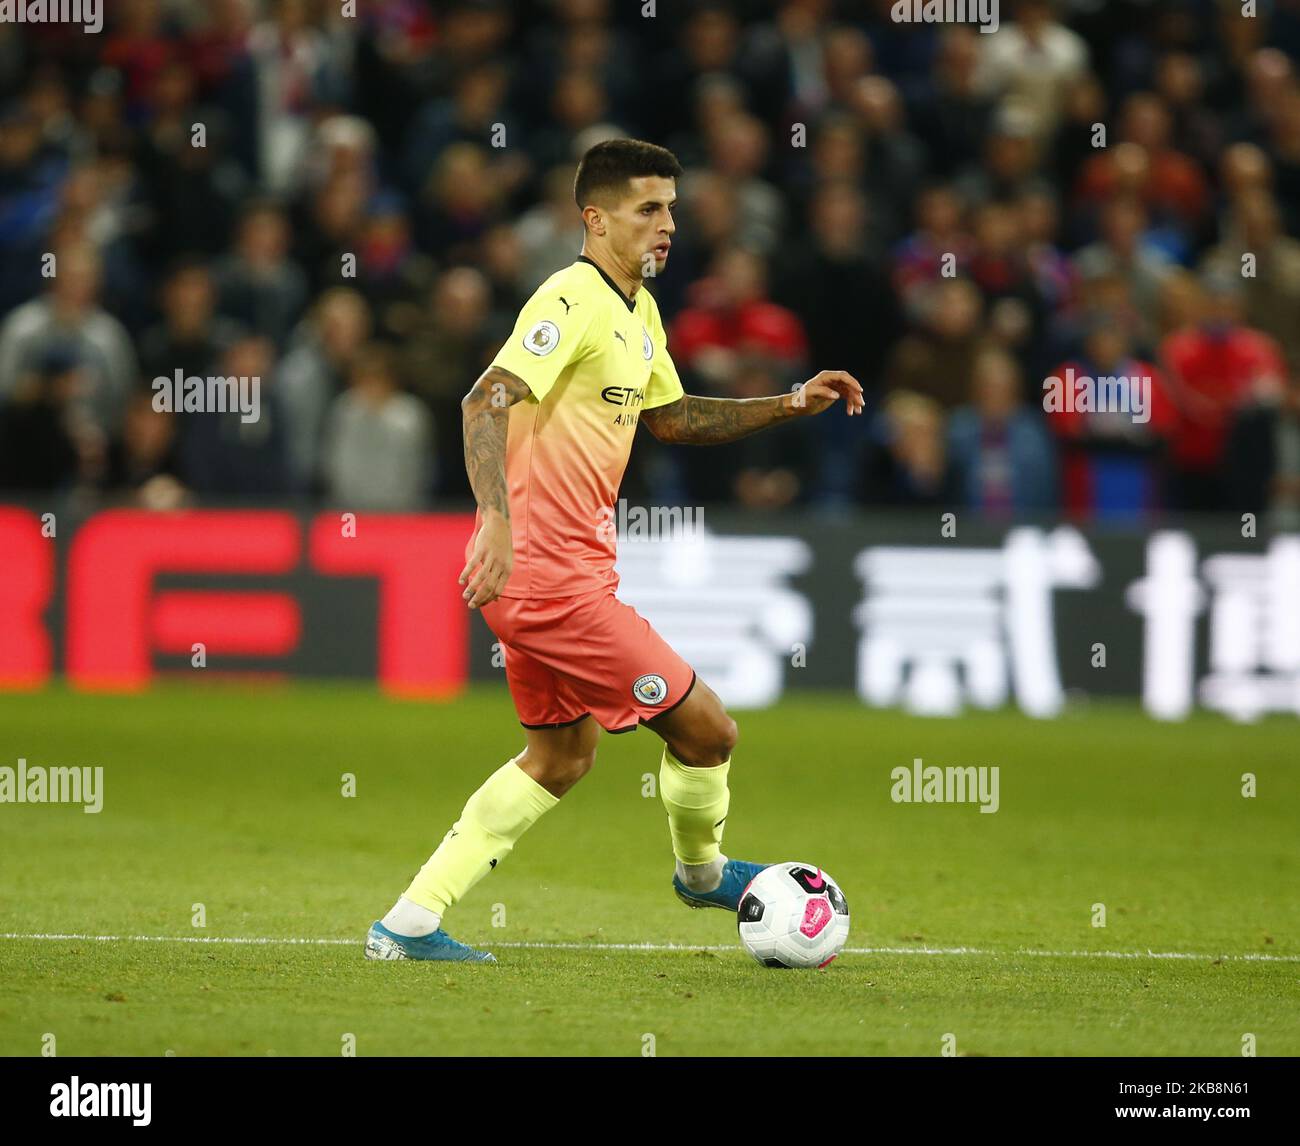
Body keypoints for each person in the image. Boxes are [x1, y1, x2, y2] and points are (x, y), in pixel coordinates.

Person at [367, 139, 863, 962]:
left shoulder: (638, 311)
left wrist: (788, 403)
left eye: (671, 207)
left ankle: (409, 924)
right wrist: (494, 516)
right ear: (595, 220)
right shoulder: (570, 298)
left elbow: (669, 417)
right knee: (709, 732)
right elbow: (484, 398)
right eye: (648, 209)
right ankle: (702, 876)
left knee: (560, 756)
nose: (669, 225)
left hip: (555, 577)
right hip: (547, 581)